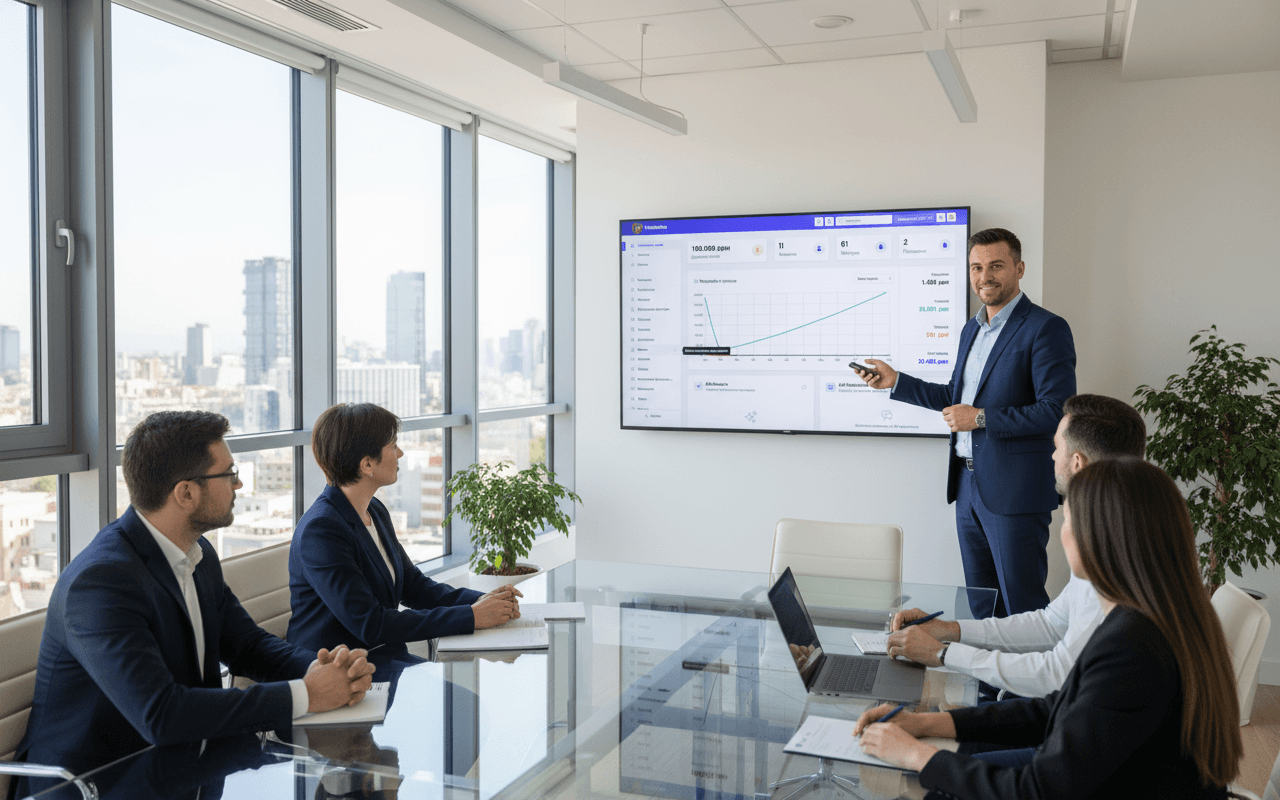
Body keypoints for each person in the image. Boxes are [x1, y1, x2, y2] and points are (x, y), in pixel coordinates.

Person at [853, 458, 1242, 799]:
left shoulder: (1133, 645)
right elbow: (1058, 708)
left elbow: (1037, 791)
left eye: (1067, 519)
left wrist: (917, 755)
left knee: (920, 784)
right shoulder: (1153, 615)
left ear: (1098, 539)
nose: (1062, 532)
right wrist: (926, 723)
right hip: (1120, 780)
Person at [16, 411, 375, 776]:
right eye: (229, 474)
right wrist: (308, 694)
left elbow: (247, 646)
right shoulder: (101, 583)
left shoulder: (197, 553)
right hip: (94, 783)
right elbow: (161, 715)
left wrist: (323, 671)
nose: (238, 484)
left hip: (182, 764)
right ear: (186, 493)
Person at [854, 228, 1076, 617]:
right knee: (982, 603)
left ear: (1019, 268)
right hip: (968, 485)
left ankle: (1031, 664)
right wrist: (896, 382)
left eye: (996, 266)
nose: (984, 276)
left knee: (1021, 606)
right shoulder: (971, 329)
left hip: (1015, 491)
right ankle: (987, 664)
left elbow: (1055, 410)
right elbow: (956, 399)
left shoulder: (1045, 328)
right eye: (976, 267)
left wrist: (981, 418)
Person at [884, 394, 1147, 699]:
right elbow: (1050, 625)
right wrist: (947, 630)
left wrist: (942, 654)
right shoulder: (1124, 531)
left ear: (1077, 463)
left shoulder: (1114, 560)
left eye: (1056, 447)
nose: (1051, 456)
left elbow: (1055, 674)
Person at [287, 403, 522, 669]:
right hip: (337, 670)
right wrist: (471, 616)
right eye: (393, 446)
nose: (400, 453)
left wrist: (481, 601)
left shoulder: (374, 510)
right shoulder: (321, 531)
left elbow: (414, 587)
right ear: (367, 464)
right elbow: (370, 624)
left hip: (380, 657)